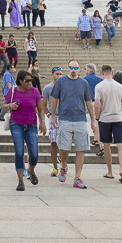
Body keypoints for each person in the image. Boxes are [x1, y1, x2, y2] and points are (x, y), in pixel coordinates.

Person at [49, 59, 97, 188]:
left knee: (81, 148)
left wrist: (93, 120)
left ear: (79, 69)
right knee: (64, 148)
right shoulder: (61, 81)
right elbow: (54, 98)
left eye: (76, 68)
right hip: (65, 118)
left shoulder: (84, 83)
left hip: (80, 119)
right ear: (68, 68)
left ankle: (77, 178)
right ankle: (63, 165)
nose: (73, 70)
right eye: (71, 68)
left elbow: (89, 102)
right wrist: (53, 116)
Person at [5, 69, 46, 191]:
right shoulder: (13, 91)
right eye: (27, 81)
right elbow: (4, 104)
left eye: (31, 80)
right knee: (19, 152)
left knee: (34, 153)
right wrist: (10, 106)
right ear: (20, 81)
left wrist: (43, 122)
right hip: (16, 124)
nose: (29, 83)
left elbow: (41, 108)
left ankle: (31, 170)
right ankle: (20, 181)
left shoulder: (35, 91)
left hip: (31, 124)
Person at [94, 64, 122, 183]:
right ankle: (121, 169)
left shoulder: (99, 86)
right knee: (120, 144)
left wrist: (97, 116)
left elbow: (97, 104)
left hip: (105, 118)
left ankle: (110, 171)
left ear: (102, 73)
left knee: (106, 145)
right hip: (118, 117)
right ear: (112, 72)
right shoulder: (120, 86)